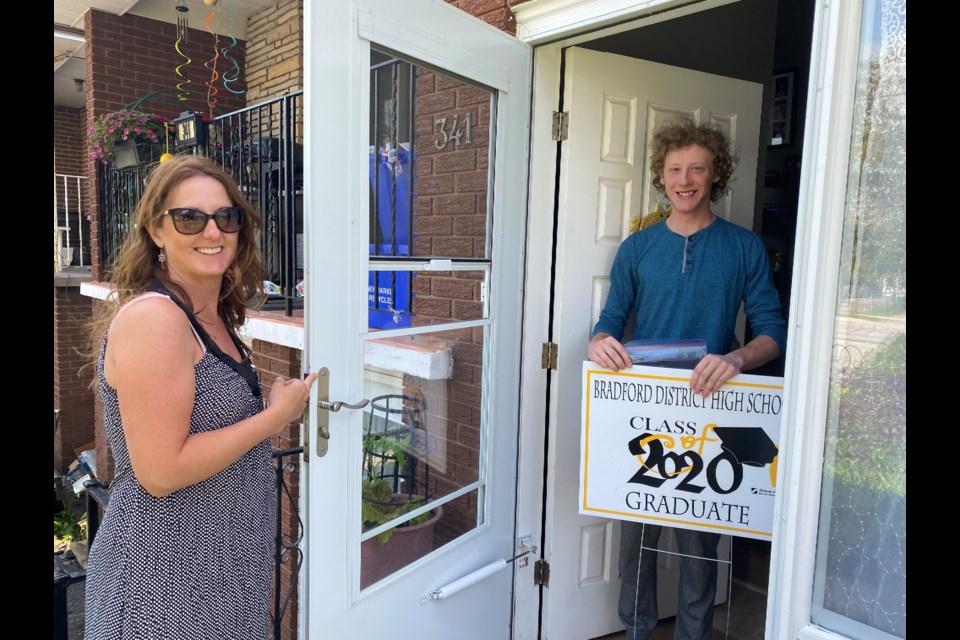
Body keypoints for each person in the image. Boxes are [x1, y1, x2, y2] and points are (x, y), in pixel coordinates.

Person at [84, 154, 318, 640]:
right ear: (156, 231)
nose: (212, 233)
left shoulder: (211, 316)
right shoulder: (156, 319)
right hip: (164, 584)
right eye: (189, 218)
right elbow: (160, 472)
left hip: (222, 575)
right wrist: (275, 417)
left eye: (225, 217)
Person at [587, 120, 786, 640]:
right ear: (661, 176)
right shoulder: (637, 248)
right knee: (635, 535)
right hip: (642, 412)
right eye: (675, 169)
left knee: (699, 542)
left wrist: (738, 359)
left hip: (710, 412)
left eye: (697, 167)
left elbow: (772, 333)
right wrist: (598, 341)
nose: (685, 179)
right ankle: (636, 631)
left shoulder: (743, 248)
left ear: (715, 174)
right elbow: (612, 319)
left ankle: (693, 635)